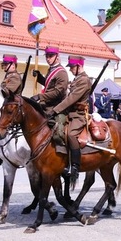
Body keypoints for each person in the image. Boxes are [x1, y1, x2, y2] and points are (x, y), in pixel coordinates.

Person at [51, 55, 91, 183]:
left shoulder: (84, 80)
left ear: (80, 66)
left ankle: (75, 166)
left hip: (78, 115)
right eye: (71, 67)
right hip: (70, 113)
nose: (71, 69)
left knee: (71, 134)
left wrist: (55, 110)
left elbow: (71, 99)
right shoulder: (76, 79)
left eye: (73, 67)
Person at [31, 46, 69, 115]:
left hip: (55, 107)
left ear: (57, 56)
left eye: (51, 56)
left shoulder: (61, 73)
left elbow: (57, 92)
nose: (48, 59)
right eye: (47, 56)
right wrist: (39, 77)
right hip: (46, 104)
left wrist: (39, 96)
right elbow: (49, 85)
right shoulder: (51, 69)